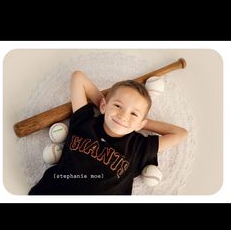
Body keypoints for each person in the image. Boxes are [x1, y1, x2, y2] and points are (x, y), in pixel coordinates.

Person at [28, 71, 188, 195]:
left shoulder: (138, 147)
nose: (123, 116)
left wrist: (140, 124)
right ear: (103, 106)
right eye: (118, 106)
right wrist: (105, 106)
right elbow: (78, 78)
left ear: (141, 123)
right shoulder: (85, 122)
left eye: (133, 113)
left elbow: (181, 134)